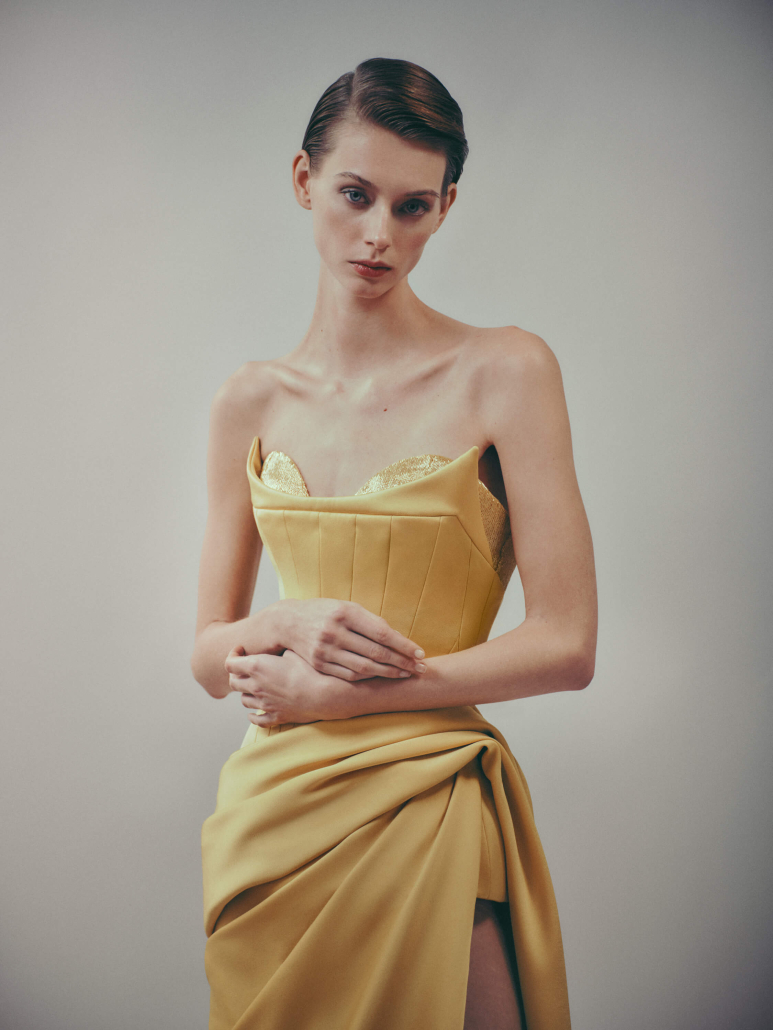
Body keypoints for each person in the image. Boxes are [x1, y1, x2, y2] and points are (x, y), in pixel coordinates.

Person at [192, 57, 597, 1030]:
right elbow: (208, 656)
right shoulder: (250, 399)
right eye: (355, 194)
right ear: (304, 181)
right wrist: (286, 621)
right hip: (276, 815)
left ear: (445, 206)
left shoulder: (506, 370)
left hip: (429, 797)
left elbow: (567, 644)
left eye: (412, 206)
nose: (379, 234)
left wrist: (345, 695)